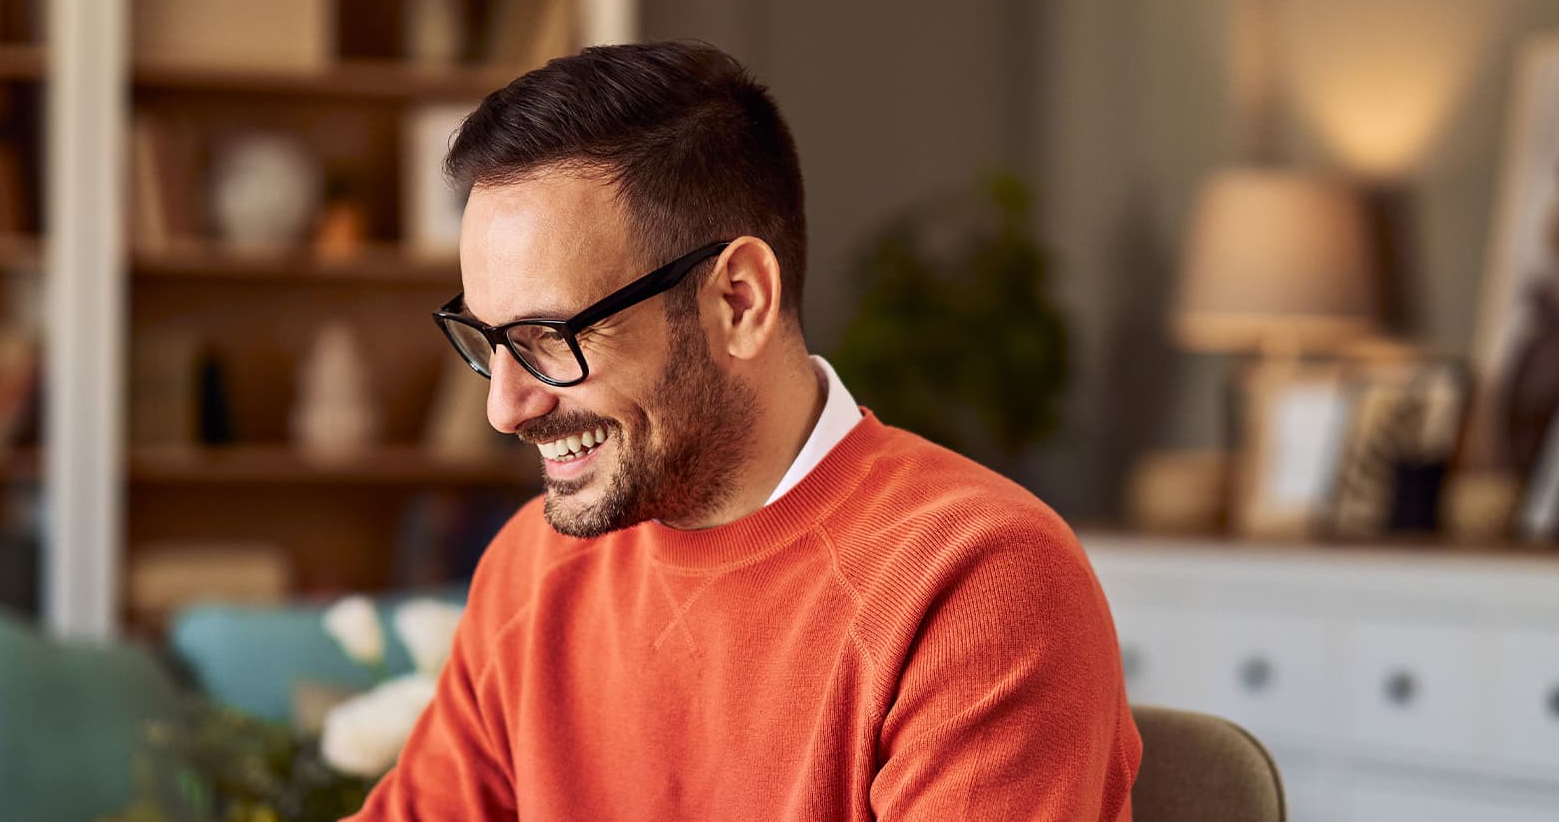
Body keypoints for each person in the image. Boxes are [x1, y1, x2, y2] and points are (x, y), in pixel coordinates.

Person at [352, 40, 1140, 820]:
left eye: (552, 336)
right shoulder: (535, 566)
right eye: (488, 338)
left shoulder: (976, 585)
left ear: (738, 301)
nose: (506, 407)